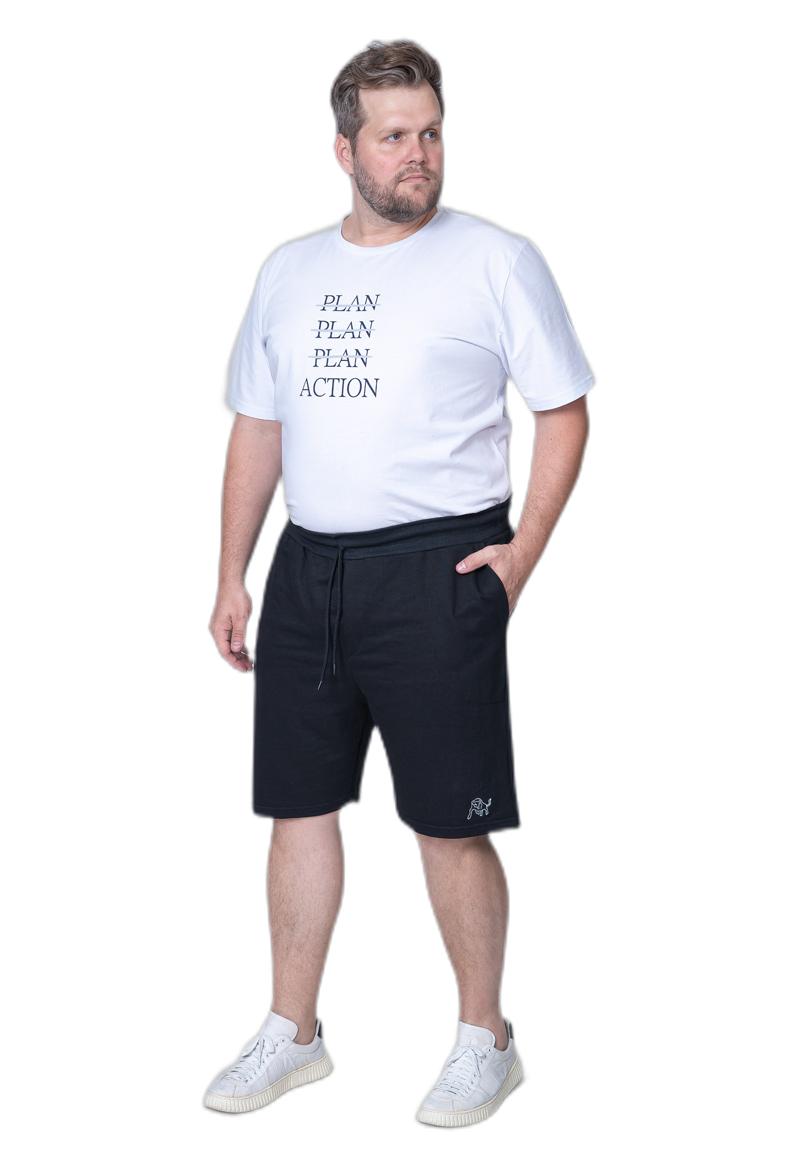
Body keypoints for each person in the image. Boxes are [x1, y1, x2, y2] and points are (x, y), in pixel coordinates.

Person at [205, 38, 595, 1128]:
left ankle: (485, 1039)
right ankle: (294, 1031)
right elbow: (258, 427)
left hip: (439, 569)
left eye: (429, 132)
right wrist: (232, 573)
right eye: (392, 137)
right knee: (296, 807)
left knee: (447, 822)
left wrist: (520, 556)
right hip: (308, 570)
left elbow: (563, 411)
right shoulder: (288, 271)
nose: (417, 153)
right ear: (345, 151)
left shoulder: (495, 260)